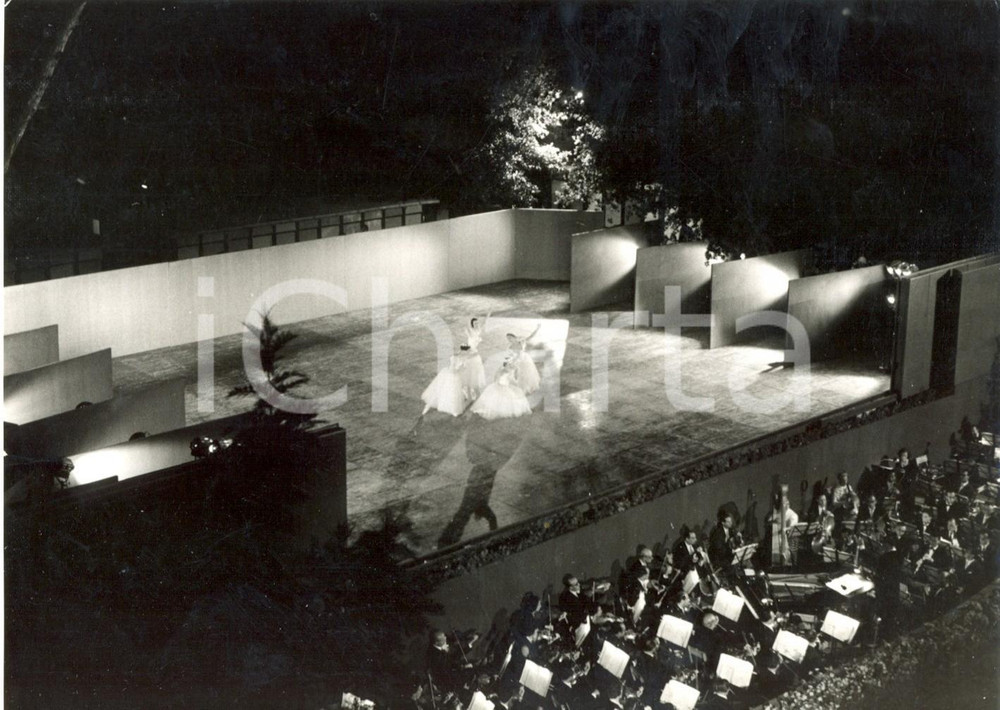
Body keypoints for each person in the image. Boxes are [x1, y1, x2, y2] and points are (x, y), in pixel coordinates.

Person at [420, 350, 469, 417]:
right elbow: (457, 368)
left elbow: (459, 368)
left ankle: (453, 409)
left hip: (450, 374)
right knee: (445, 390)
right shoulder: (458, 359)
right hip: (451, 375)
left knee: (450, 391)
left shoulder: (458, 358)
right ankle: (428, 406)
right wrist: (461, 365)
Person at [505, 324, 541, 395]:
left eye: (510, 338)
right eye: (508, 339)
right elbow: (509, 355)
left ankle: (526, 388)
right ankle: (519, 388)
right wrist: (510, 361)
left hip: (524, 359)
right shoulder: (510, 346)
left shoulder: (521, 341)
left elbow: (531, 337)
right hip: (517, 361)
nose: (509, 340)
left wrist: (537, 329)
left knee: (527, 374)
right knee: (517, 374)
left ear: (514, 337)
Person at [460, 317, 488, 399]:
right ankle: (468, 392)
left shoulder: (478, 331)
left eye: (477, 323)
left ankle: (471, 391)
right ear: (472, 325)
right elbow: (467, 327)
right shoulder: (471, 332)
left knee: (475, 373)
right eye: (475, 323)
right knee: (470, 372)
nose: (477, 324)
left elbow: (483, 324)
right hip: (471, 353)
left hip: (475, 353)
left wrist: (488, 315)